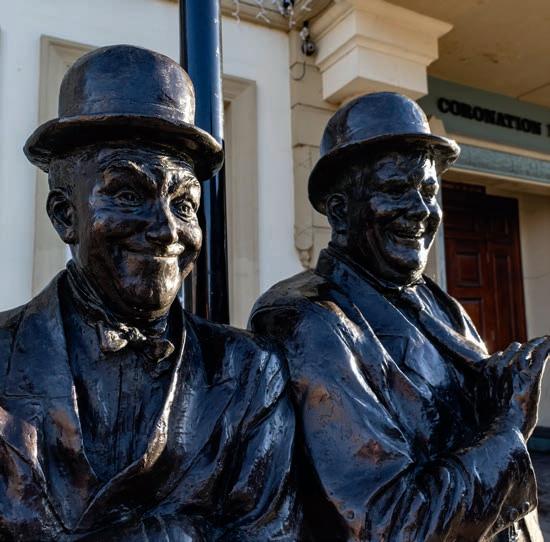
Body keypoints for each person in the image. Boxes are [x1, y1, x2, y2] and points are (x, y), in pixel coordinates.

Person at [0, 45, 298, 541]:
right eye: (127, 194)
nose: (166, 230)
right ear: (65, 215)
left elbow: (270, 532)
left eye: (183, 204)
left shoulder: (251, 372)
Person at [249, 92, 549, 541]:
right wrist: (507, 430)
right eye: (395, 190)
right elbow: (391, 521)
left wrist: (493, 392)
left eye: (428, 192)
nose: (421, 210)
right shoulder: (306, 319)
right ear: (340, 212)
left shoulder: (438, 303)